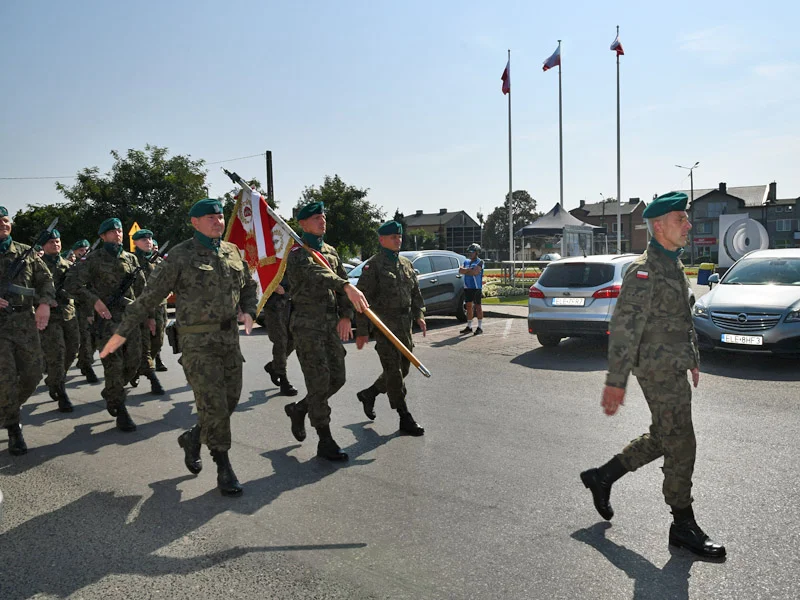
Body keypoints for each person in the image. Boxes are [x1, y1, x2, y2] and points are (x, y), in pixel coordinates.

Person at [579, 191, 726, 560]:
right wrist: (615, 382)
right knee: (682, 442)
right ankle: (682, 524)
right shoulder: (644, 269)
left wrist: (692, 357)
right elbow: (625, 327)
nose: (688, 225)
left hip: (674, 363)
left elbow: (682, 319)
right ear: (659, 226)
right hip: (657, 366)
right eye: (682, 219)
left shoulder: (672, 264)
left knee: (665, 436)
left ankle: (603, 476)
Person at [100, 199, 258, 497]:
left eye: (220, 216)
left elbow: (249, 286)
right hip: (197, 345)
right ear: (194, 223)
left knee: (229, 401)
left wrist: (249, 310)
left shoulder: (232, 252)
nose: (217, 221)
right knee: (215, 405)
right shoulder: (180, 256)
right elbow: (149, 296)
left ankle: (193, 437)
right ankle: (223, 466)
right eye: (209, 217)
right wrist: (121, 333)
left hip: (229, 342)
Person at [283, 201, 369, 461]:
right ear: (302, 224)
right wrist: (345, 286)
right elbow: (319, 275)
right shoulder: (297, 253)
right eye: (316, 218)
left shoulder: (330, 251)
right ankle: (325, 439)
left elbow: (341, 281)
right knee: (318, 381)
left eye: (323, 216)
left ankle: (300, 408)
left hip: (329, 325)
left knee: (337, 378)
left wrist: (345, 315)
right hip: (307, 326)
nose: (322, 221)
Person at [65, 218, 145, 432]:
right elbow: (72, 283)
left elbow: (142, 287)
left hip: (129, 317)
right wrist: (95, 301)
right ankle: (119, 408)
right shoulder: (93, 259)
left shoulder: (130, 258)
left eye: (119, 230)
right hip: (107, 319)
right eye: (112, 231)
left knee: (134, 361)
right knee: (114, 365)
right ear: (102, 236)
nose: (117, 234)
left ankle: (112, 391)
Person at [354, 220, 426, 435]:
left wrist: (419, 315)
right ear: (382, 240)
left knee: (403, 369)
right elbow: (361, 301)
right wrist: (364, 331)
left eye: (399, 236)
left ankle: (370, 393)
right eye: (393, 237)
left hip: (404, 326)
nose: (398, 240)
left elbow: (416, 294)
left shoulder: (405, 263)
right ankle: (404, 417)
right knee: (394, 373)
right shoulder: (373, 266)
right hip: (385, 327)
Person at [0, 206, 55, 455]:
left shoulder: (26, 252)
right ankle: (13, 426)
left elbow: (45, 280)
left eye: (6, 219)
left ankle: (5, 409)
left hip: (24, 322)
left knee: (33, 374)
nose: (3, 223)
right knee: (7, 379)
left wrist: (44, 303)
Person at [39, 229, 80, 413]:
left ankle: (54, 379)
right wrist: (46, 300)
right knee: (57, 353)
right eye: (50, 242)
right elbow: (30, 288)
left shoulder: (68, 265)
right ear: (43, 246)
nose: (55, 244)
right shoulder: (37, 265)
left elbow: (77, 287)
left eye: (57, 241)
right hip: (49, 317)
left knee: (73, 349)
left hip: (68, 313)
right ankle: (61, 391)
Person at [130, 229, 165, 395]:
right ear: (136, 243)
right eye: (143, 239)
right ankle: (152, 378)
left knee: (158, 341)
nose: (148, 241)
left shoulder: (157, 261)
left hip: (160, 307)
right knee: (144, 345)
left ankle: (138, 369)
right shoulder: (133, 260)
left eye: (150, 239)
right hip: (142, 308)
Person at [262, 274, 298, 396]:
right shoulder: (267, 254)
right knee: (281, 341)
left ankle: (274, 366)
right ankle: (283, 380)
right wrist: (270, 283)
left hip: (292, 301)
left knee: (294, 339)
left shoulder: (293, 255)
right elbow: (257, 269)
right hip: (274, 304)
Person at [70, 239, 98, 383]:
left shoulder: (93, 265)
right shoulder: (73, 268)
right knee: (85, 338)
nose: (84, 252)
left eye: (86, 249)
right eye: (80, 250)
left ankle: (84, 361)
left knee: (94, 338)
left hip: (96, 307)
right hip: (79, 309)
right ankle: (86, 365)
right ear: (74, 252)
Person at [151, 239, 168, 372]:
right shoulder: (145, 263)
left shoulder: (161, 262)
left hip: (163, 304)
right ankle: (153, 361)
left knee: (160, 334)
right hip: (151, 305)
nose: (155, 249)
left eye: (156, 247)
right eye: (153, 247)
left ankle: (155, 358)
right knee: (153, 335)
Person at [459, 243, 484, 335]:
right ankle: (469, 326)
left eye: (472, 252)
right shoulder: (466, 261)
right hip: (467, 287)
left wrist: (467, 271)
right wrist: (469, 270)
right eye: (469, 252)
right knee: (468, 306)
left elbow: (475, 272)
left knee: (478, 307)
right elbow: (460, 270)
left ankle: (480, 327)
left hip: (476, 287)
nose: (470, 254)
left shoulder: (480, 262)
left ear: (477, 252)